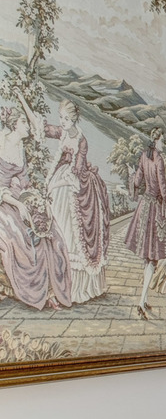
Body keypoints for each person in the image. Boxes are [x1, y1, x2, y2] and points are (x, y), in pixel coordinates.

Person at [21, 97, 110, 303]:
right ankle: (54, 283)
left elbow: (76, 173)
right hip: (59, 179)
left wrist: (54, 185)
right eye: (61, 117)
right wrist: (23, 101)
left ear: (74, 119)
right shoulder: (62, 132)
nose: (62, 122)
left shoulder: (82, 141)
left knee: (71, 232)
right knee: (54, 228)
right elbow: (43, 128)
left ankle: (73, 288)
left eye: (66, 119)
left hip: (74, 186)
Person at [0, 107, 70, 309]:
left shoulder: (20, 146)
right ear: (14, 124)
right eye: (24, 121)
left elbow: (24, 181)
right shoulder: (2, 144)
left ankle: (51, 291)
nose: (28, 125)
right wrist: (18, 204)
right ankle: (29, 291)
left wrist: (37, 199)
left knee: (52, 233)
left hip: (20, 196)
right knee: (17, 237)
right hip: (5, 200)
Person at [123, 129, 166, 317]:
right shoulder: (159, 160)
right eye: (162, 141)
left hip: (144, 206)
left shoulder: (144, 156)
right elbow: (163, 188)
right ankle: (141, 302)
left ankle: (144, 300)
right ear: (156, 141)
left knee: (148, 258)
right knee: (152, 258)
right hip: (154, 209)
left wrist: (131, 176)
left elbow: (137, 181)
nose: (164, 144)